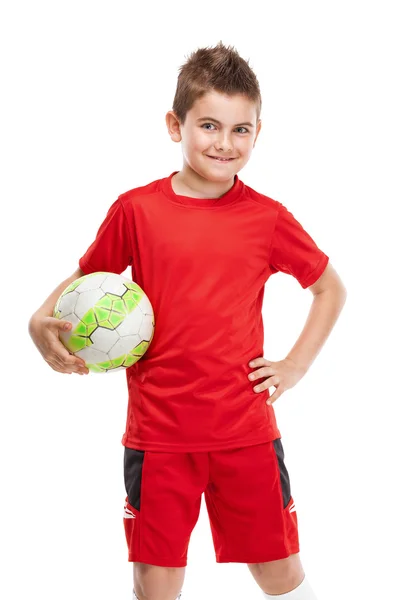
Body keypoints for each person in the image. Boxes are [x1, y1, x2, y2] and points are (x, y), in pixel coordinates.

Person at [28, 41, 347, 600]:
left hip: (244, 432)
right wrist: (39, 319)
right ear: (176, 126)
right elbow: (84, 280)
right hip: (158, 435)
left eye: (240, 130)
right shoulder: (136, 210)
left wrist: (295, 365)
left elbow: (329, 288)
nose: (224, 143)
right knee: (156, 582)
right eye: (208, 125)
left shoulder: (267, 219)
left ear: (257, 132)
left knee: (280, 574)